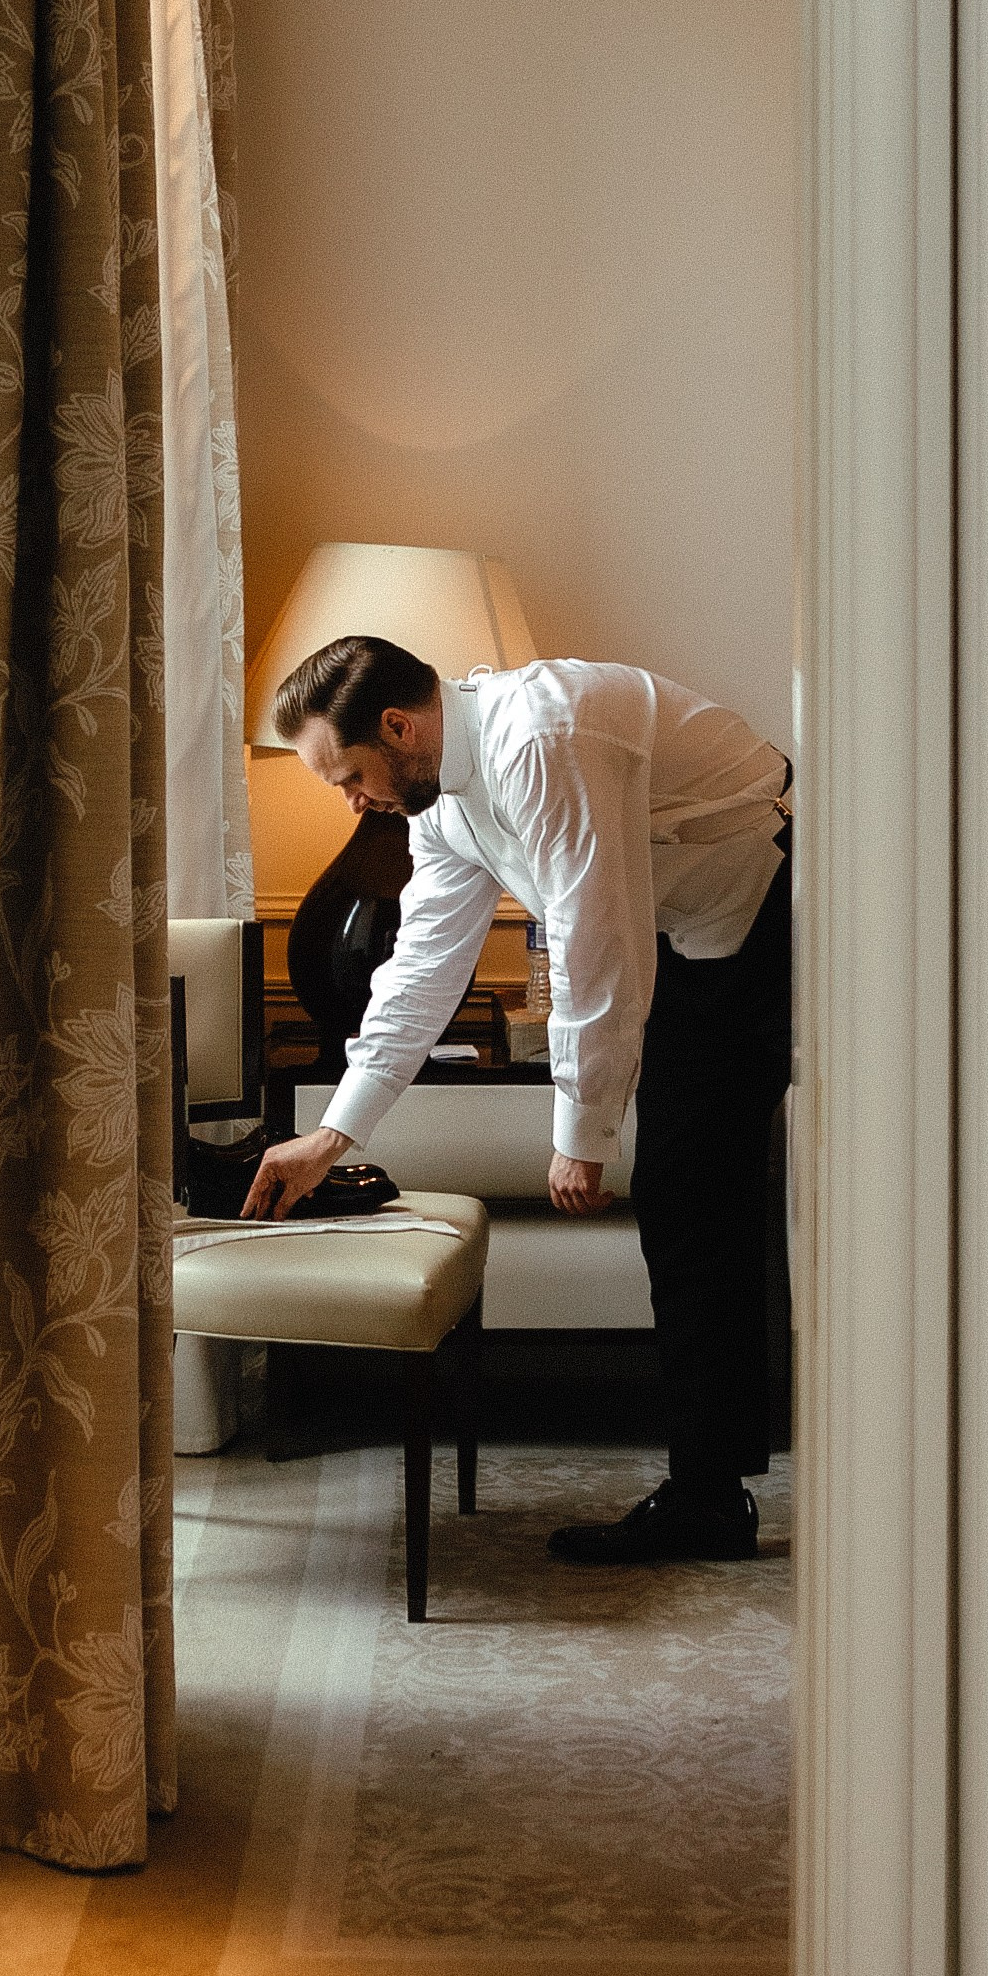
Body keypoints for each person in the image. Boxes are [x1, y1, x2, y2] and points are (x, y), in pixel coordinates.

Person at [243, 635, 792, 1565]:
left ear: (396, 724)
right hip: (683, 924)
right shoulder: (440, 802)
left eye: (349, 775)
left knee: (691, 1192)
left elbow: (594, 938)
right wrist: (333, 1134)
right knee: (691, 1197)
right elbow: (422, 969)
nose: (352, 799)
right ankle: (715, 1489)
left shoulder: (540, 740)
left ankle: (712, 1489)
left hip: (777, 893)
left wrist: (579, 1136)